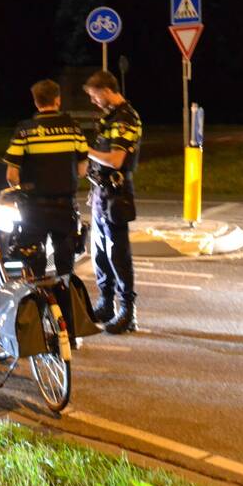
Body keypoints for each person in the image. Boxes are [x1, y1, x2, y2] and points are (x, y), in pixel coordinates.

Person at [4, 79, 89, 282]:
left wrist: (20, 191)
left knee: (35, 263)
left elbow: (11, 175)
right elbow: (82, 170)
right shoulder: (74, 128)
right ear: (58, 100)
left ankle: (40, 305)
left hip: (34, 209)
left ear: (36, 102)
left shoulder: (24, 130)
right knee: (65, 264)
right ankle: (66, 306)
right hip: (65, 206)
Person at [83, 70, 142, 334]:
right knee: (99, 252)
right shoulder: (110, 118)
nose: (94, 101)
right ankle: (106, 304)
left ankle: (127, 312)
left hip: (116, 194)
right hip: (101, 192)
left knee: (118, 253)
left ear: (107, 90)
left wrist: (86, 151)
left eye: (95, 96)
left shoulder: (125, 118)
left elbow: (116, 160)